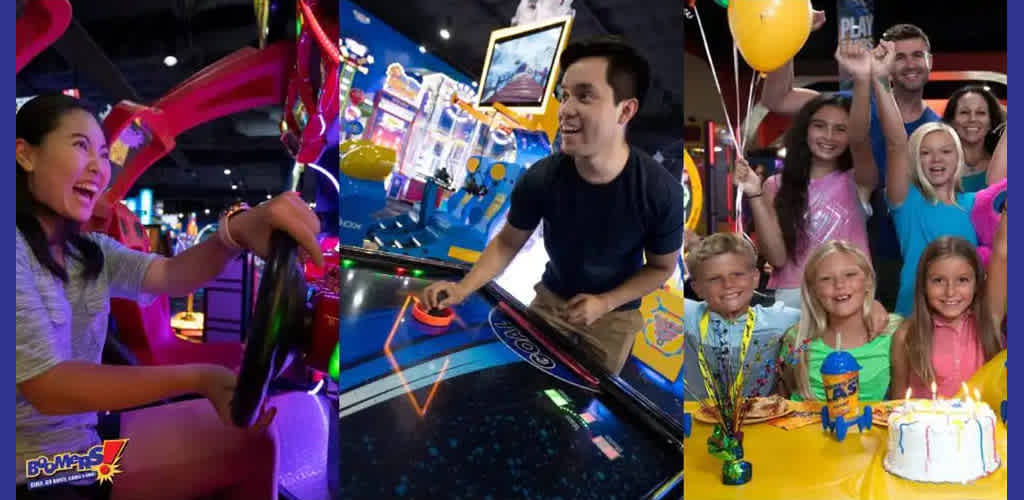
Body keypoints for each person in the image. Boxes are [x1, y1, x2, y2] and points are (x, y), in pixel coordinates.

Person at [15, 94, 324, 500]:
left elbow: (173, 275)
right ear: (25, 154)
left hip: (87, 442)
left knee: (256, 443)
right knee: (248, 450)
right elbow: (49, 387)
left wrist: (235, 234)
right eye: (80, 145)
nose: (98, 167)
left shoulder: (88, 250)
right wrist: (198, 377)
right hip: (38, 470)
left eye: (105, 154)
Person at [421, 36, 685, 376]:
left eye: (585, 95)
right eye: (564, 96)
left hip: (613, 321)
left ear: (626, 110)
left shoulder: (660, 191)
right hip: (548, 302)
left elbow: (661, 268)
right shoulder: (542, 177)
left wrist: (604, 303)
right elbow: (506, 242)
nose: (566, 109)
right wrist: (461, 289)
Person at [761, 16, 941, 311]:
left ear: (930, 61)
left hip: (913, 250)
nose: (910, 64)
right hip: (860, 252)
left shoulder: (938, 128)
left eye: (917, 55)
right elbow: (777, 98)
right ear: (884, 62)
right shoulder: (853, 106)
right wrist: (789, 35)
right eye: (900, 57)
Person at [735, 41, 878, 309]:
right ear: (805, 130)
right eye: (820, 126)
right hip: (792, 300)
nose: (828, 136)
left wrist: (861, 79)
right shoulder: (775, 185)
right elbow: (776, 258)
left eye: (840, 129)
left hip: (850, 297)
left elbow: (860, 136)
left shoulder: (858, 179)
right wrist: (754, 192)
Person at [874, 40, 978, 317]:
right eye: (925, 153)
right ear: (913, 160)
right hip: (914, 317)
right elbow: (896, 142)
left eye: (945, 151)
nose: (936, 160)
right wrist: (881, 80)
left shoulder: (977, 203)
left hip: (966, 320)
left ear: (958, 157)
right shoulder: (905, 201)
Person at [778, 241, 902, 402]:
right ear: (813, 290)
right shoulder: (797, 340)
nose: (840, 285)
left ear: (868, 281)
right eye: (826, 279)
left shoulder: (894, 333)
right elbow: (780, 406)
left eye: (850, 275)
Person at [889, 237, 1004, 399]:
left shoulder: (989, 321)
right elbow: (897, 403)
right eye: (938, 281)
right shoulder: (907, 334)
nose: (950, 291)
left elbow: (1003, 253)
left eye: (962, 280)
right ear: (923, 284)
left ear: (977, 283)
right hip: (923, 423)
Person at [941, 85, 1006, 192]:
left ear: (991, 122)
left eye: (981, 113)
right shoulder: (936, 165)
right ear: (952, 121)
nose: (972, 119)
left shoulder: (1004, 166)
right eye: (964, 112)